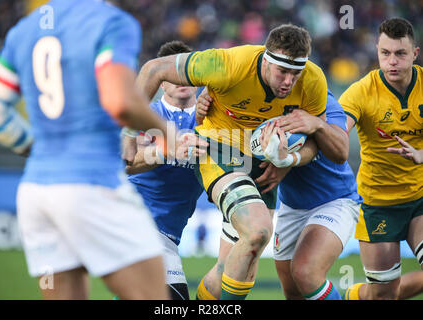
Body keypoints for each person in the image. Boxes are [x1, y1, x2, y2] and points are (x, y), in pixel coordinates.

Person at [0, 0, 206, 300]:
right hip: (90, 184)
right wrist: (170, 138)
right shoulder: (112, 22)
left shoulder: (25, 29)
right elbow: (121, 101)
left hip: (37, 190)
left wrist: (39, 152)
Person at [135, 23, 343, 300]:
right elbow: (152, 69)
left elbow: (323, 146)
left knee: (239, 264)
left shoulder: (313, 80)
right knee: (258, 231)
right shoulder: (227, 64)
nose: (289, 82)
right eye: (283, 71)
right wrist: (141, 139)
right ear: (266, 60)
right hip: (218, 151)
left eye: (296, 73)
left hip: (258, 165)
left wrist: (288, 160)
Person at [195, 90, 361, 300]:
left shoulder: (320, 98)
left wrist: (312, 132)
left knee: (306, 273)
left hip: (334, 199)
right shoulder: (256, 99)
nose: (286, 80)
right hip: (291, 206)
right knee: (292, 291)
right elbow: (216, 129)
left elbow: (339, 149)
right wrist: (202, 111)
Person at [339, 17, 423, 300]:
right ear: (377, 51)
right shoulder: (361, 92)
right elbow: (339, 130)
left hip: (420, 196)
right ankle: (357, 295)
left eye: (400, 53)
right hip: (379, 204)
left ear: (415, 53)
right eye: (385, 53)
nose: (392, 62)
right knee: (383, 295)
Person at [124, 40, 204, 300]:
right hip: (139, 223)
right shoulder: (147, 115)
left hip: (169, 231)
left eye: (186, 72)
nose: (180, 78)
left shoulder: (212, 120)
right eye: (171, 73)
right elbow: (126, 163)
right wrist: (163, 150)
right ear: (160, 81)